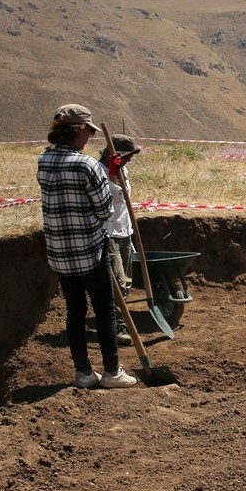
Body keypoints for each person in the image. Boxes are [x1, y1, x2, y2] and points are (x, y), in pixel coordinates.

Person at [36, 104, 137, 389]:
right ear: (77, 130)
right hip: (90, 251)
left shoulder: (44, 161)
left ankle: (83, 373)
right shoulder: (87, 165)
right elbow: (105, 210)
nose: (90, 137)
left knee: (75, 311)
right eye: (88, 132)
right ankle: (112, 372)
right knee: (104, 309)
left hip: (59, 252)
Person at [100, 134, 141, 345]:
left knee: (126, 282)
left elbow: (125, 202)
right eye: (128, 156)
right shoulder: (99, 171)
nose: (130, 160)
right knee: (116, 281)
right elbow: (110, 200)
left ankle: (117, 320)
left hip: (125, 230)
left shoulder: (123, 169)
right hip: (108, 232)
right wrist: (112, 176)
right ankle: (116, 326)